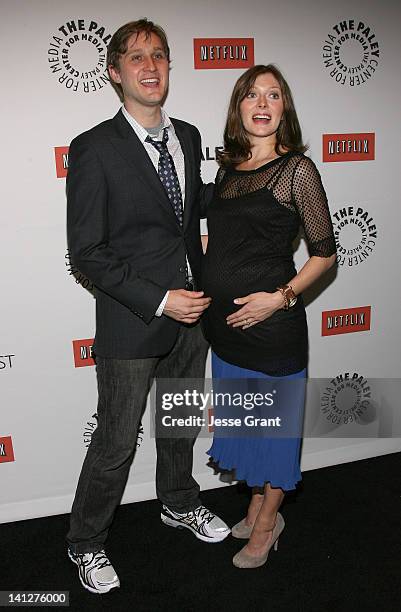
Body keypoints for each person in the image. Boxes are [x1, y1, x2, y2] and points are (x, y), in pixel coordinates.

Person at [66, 19, 229, 595]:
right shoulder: (93, 148)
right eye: (136, 57)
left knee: (180, 421)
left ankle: (178, 502)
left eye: (159, 55)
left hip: (195, 318)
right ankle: (85, 542)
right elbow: (86, 252)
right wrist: (161, 299)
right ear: (115, 73)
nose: (150, 66)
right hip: (135, 319)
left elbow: (187, 208)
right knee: (116, 440)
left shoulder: (186, 136)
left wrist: (254, 177)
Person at [202, 64, 336, 569]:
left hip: (273, 330)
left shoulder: (296, 171)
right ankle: (258, 500)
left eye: (273, 95)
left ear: (285, 109)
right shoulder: (226, 171)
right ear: (239, 108)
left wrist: (277, 298)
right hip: (227, 331)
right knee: (248, 425)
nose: (262, 103)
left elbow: (324, 253)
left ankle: (267, 522)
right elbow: (224, 241)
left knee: (275, 436)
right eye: (251, 95)